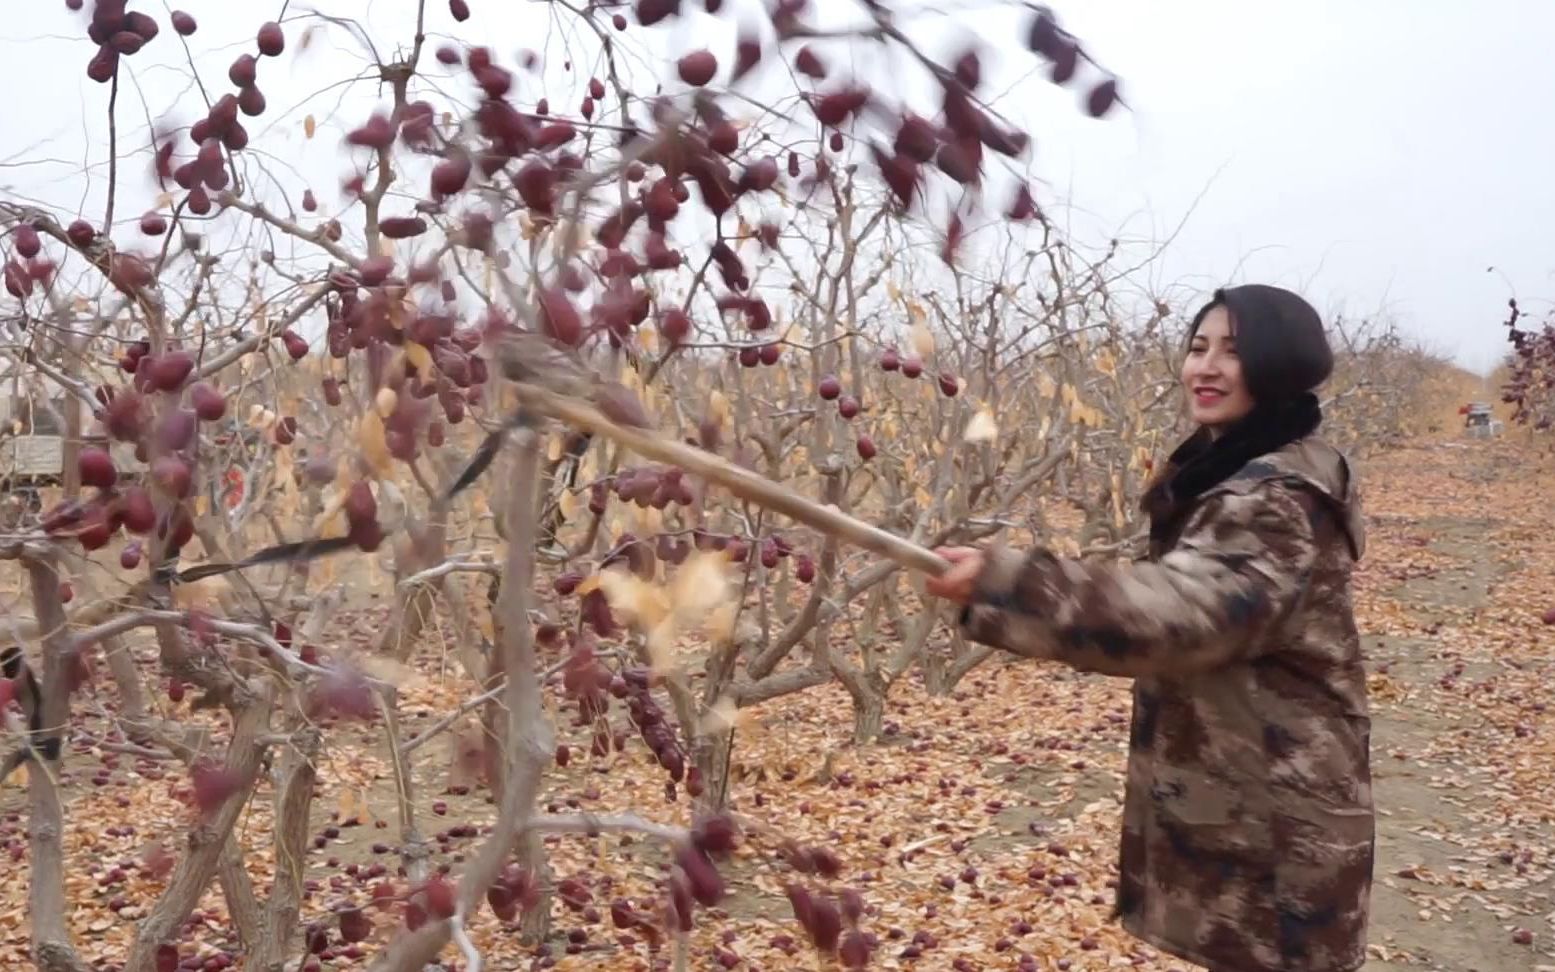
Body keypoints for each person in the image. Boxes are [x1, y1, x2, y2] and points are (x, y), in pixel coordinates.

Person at [926, 285, 1374, 972]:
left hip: (1278, 816)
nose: (1205, 368)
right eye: (1196, 348)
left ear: (1280, 365)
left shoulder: (1271, 501)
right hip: (1253, 785)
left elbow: (1178, 612)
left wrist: (1007, 582)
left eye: (1234, 352)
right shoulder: (1246, 468)